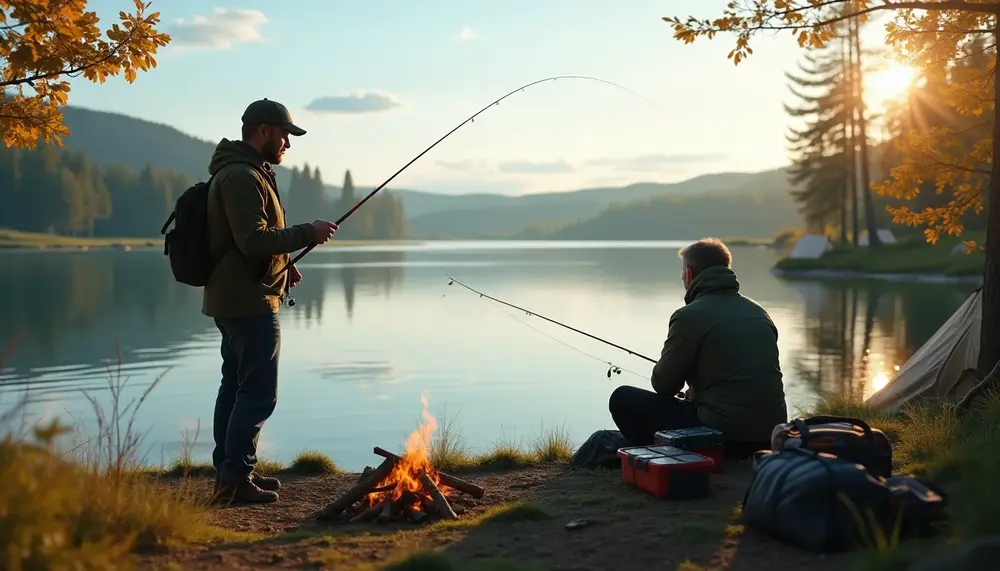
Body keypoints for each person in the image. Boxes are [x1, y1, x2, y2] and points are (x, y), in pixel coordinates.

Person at [203, 98, 339, 504]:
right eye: (284, 135)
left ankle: (232, 475)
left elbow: (247, 243)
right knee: (259, 392)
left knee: (236, 387)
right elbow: (251, 240)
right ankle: (235, 478)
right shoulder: (243, 176)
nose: (288, 144)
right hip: (249, 302)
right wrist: (306, 233)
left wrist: (283, 264)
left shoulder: (242, 171)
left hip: (236, 296)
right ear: (263, 130)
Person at [608, 237, 787, 449]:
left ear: (690, 274)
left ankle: (657, 458)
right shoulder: (760, 313)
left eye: (682, 273)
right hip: (771, 434)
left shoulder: (689, 316)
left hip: (725, 435)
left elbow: (664, 385)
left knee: (622, 398)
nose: (683, 278)